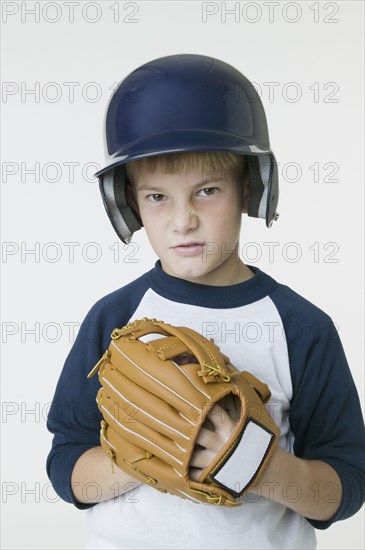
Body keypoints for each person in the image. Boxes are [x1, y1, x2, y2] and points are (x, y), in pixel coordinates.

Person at [46, 54, 364, 550]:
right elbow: (67, 467)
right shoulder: (112, 319)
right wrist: (146, 450)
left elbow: (346, 487)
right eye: (157, 197)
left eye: (207, 190)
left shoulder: (303, 327)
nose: (182, 221)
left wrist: (256, 466)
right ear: (129, 201)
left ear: (249, 189)